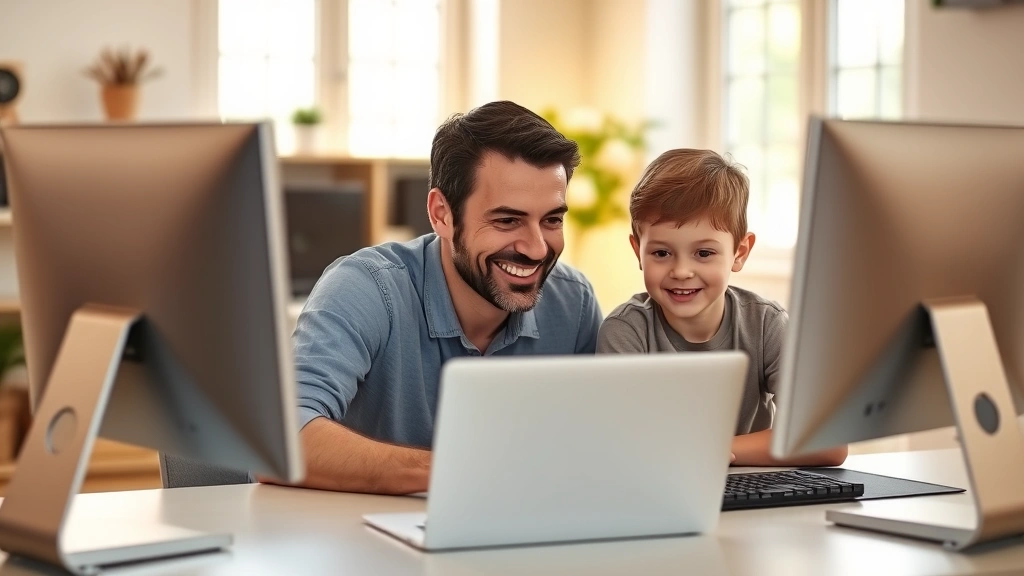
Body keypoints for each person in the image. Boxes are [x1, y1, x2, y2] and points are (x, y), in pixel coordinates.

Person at [273, 101, 603, 494]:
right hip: (358, 544)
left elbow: (598, 448)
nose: (535, 248)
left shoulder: (574, 304)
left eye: (551, 220)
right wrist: (461, 472)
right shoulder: (365, 289)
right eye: (507, 220)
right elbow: (281, 440)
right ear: (442, 214)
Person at [597, 149, 847, 467]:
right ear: (638, 251)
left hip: (758, 494)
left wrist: (715, 451)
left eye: (703, 253)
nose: (682, 271)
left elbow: (829, 442)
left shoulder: (767, 323)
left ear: (739, 252)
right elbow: (623, 448)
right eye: (661, 253)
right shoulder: (625, 331)